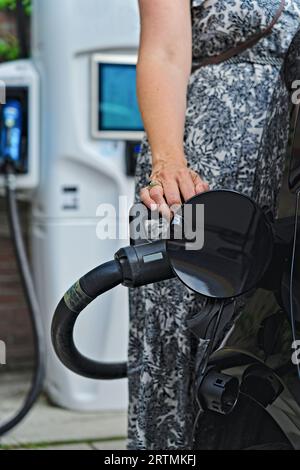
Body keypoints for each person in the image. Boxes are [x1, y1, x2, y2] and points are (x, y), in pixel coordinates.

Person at [128, 0, 300, 450]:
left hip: (287, 173)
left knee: (272, 332)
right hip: (202, 169)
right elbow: (164, 51)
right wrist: (168, 163)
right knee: (187, 330)